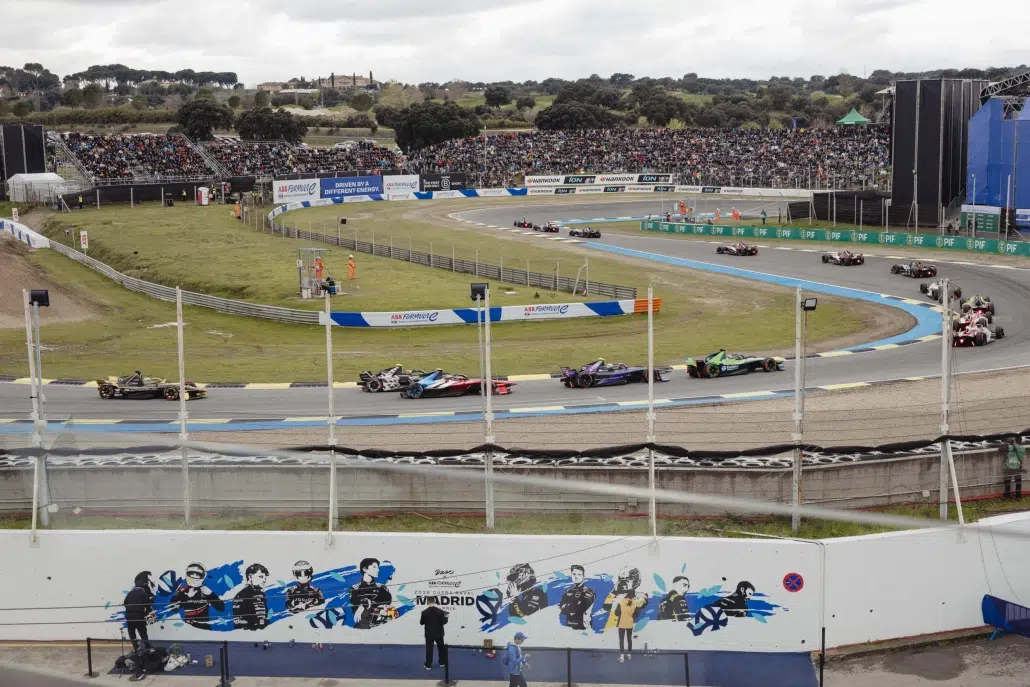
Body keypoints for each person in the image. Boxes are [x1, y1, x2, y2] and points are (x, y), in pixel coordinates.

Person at [123, 571, 157, 681]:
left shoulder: (130, 593)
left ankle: (136, 648)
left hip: (129, 616)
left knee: (132, 633)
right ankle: (147, 647)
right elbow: (148, 604)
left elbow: (125, 603)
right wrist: (151, 600)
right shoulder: (143, 592)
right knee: (143, 633)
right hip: (138, 616)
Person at [558, 565, 595, 630]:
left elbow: (581, 608)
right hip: (569, 626)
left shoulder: (589, 591)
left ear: (583, 577)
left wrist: (568, 606)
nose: (576, 576)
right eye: (574, 574)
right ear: (571, 576)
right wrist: (573, 605)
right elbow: (561, 608)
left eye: (579, 574)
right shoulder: (568, 591)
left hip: (583, 628)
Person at [420, 597, 448, 670]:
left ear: (428, 602)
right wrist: (446, 617)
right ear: (434, 601)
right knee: (441, 648)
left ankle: (428, 665)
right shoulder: (440, 612)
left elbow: (421, 623)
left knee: (429, 649)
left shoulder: (424, 612)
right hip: (439, 633)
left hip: (429, 634)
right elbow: (444, 622)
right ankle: (442, 662)